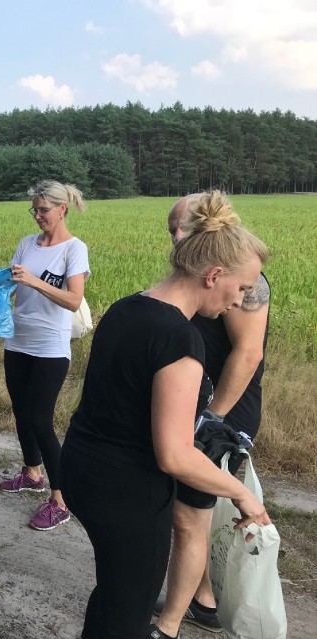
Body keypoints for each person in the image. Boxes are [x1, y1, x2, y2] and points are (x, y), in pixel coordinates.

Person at [59, 190, 272, 639]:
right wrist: (243, 495)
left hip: (82, 469)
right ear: (214, 275)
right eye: (242, 287)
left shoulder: (127, 308)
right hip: (127, 493)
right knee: (128, 614)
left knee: (115, 590)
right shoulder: (180, 340)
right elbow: (174, 456)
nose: (242, 300)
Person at [154, 195, 271, 637]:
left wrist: (210, 418)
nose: (175, 239)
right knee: (191, 515)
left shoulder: (246, 282)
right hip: (191, 403)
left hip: (221, 413)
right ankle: (202, 600)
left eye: (183, 229)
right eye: (171, 231)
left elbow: (247, 353)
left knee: (189, 518)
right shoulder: (199, 277)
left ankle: (166, 625)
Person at [0, 180, 90, 532]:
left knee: (40, 419)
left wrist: (34, 281)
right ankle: (32, 473)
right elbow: (13, 283)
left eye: (43, 210)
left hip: (50, 346)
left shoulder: (73, 249)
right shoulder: (26, 244)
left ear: (62, 209)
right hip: (17, 339)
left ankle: (60, 499)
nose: (37, 216)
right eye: (34, 210)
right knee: (21, 411)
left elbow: (72, 300)